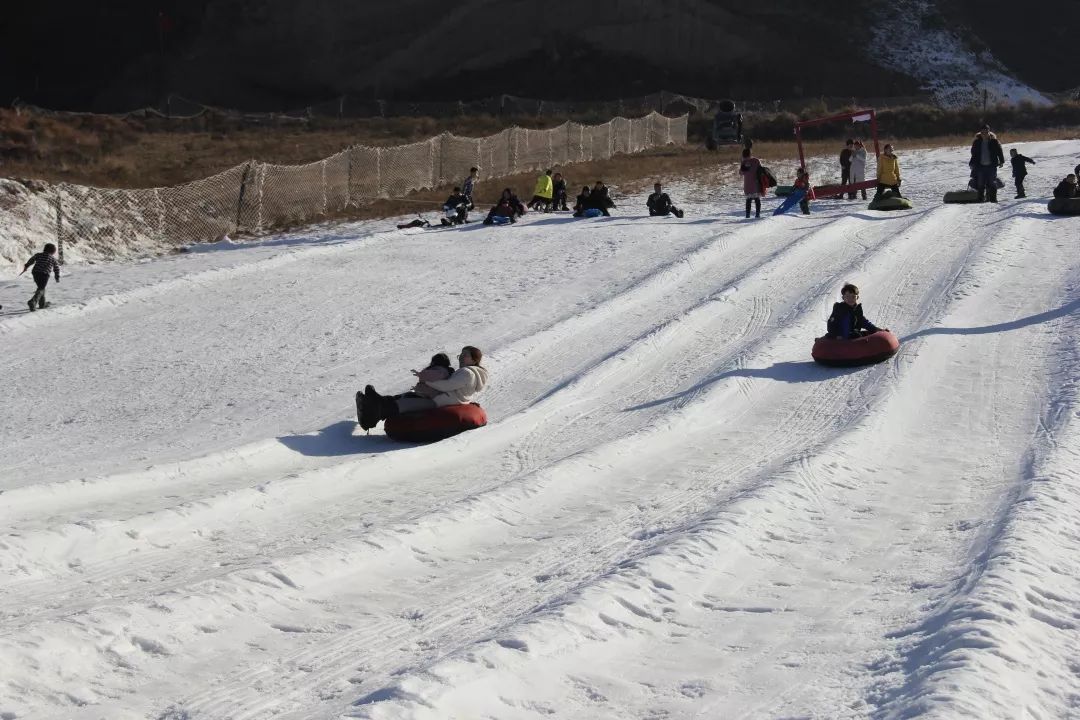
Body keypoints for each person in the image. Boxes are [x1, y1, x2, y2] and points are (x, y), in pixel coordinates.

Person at [358, 345, 489, 430]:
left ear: (473, 360)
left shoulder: (467, 372)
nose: (461, 357)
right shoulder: (471, 373)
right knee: (406, 398)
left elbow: (447, 386)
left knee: (406, 404)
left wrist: (428, 382)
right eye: (460, 354)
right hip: (445, 399)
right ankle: (373, 402)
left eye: (465, 355)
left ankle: (370, 418)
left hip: (441, 401)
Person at [20, 242, 61, 312]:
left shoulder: (38, 255)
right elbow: (56, 268)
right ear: (53, 251)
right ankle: (33, 301)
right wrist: (57, 277)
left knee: (41, 288)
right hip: (44, 274)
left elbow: (31, 260)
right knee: (41, 289)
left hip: (35, 273)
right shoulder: (53, 258)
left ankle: (42, 304)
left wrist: (26, 266)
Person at [970, 124, 1005, 203]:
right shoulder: (977, 142)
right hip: (980, 166)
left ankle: (993, 199)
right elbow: (973, 154)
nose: (984, 134)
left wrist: (1001, 161)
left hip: (991, 166)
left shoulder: (994, 141)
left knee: (992, 182)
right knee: (980, 183)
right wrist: (972, 163)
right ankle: (980, 199)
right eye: (983, 132)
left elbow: (999, 152)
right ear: (980, 133)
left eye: (986, 132)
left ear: (989, 132)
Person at [739, 148, 765, 218]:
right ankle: (757, 214)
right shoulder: (756, 160)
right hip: (756, 182)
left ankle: (747, 215)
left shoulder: (744, 162)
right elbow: (761, 169)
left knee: (748, 200)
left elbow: (741, 173)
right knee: (757, 199)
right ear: (750, 153)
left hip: (747, 183)